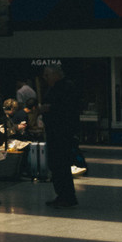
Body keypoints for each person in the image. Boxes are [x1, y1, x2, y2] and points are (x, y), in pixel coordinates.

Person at [36, 64, 81, 208]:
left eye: (47, 75)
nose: (45, 78)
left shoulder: (66, 87)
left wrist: (49, 108)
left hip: (62, 133)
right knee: (56, 165)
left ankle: (66, 196)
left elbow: (68, 108)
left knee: (61, 165)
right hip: (55, 132)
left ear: (56, 74)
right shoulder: (55, 88)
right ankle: (62, 195)